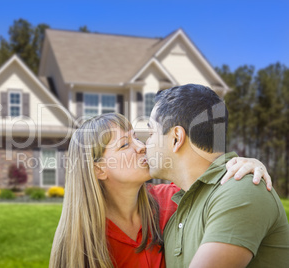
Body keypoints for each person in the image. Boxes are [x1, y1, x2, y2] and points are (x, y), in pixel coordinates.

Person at [49, 113, 271, 268]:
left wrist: (245, 164)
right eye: (125, 145)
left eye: (136, 137)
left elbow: (213, 182)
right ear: (99, 170)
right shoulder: (85, 241)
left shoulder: (172, 199)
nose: (141, 146)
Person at [146, 84, 289, 268]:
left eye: (151, 133)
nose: (145, 145)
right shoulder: (178, 213)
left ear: (176, 138)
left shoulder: (240, 188)